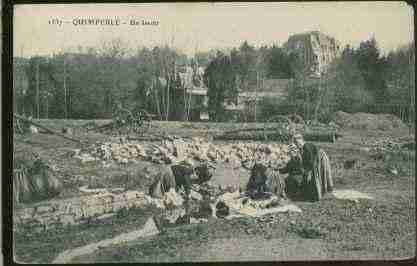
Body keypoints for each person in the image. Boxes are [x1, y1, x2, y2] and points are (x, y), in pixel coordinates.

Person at [280, 133, 334, 201]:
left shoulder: (306, 146)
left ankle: (319, 194)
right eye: (295, 142)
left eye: (297, 142)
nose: (297, 144)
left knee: (316, 177)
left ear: (301, 140)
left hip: (319, 158)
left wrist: (307, 171)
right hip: (315, 160)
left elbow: (310, 160)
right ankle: (315, 194)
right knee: (312, 177)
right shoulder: (302, 149)